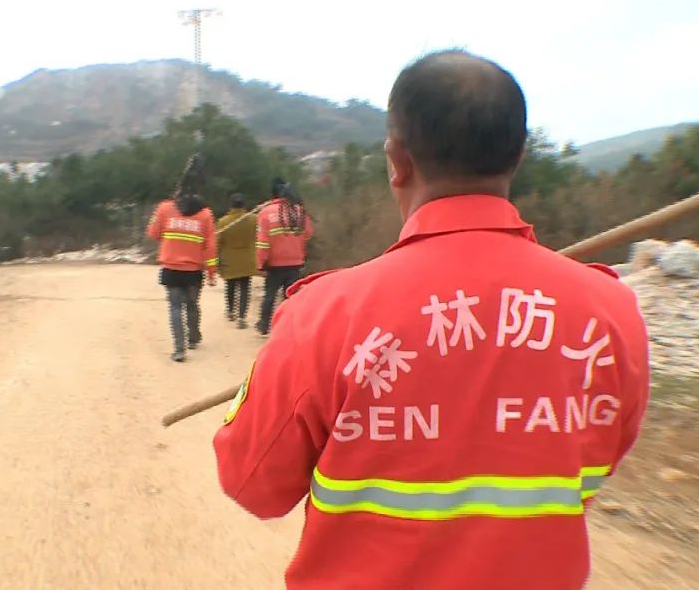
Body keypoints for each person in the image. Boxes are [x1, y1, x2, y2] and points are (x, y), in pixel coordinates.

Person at [212, 50, 650, 589]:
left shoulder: (324, 316)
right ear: (516, 156)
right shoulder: (608, 313)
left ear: (397, 159)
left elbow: (251, 483)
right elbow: (600, 457)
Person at [146, 187, 217, 362]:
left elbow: (153, 233)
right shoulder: (205, 214)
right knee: (192, 304)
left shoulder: (164, 208)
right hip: (194, 270)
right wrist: (211, 272)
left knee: (175, 307)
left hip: (171, 268)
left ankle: (179, 349)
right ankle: (193, 337)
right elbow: (210, 246)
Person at [255, 178, 313, 335]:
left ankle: (264, 325)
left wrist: (261, 263)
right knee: (291, 296)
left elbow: (262, 243)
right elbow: (308, 234)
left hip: (274, 264)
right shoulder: (299, 211)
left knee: (270, 296)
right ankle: (289, 326)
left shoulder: (265, 213)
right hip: (295, 262)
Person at [216, 193, 257, 329]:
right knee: (245, 287)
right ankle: (241, 317)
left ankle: (230, 311)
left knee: (230, 286)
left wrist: (216, 259)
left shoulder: (223, 221)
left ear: (231, 205)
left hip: (229, 258)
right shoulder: (254, 219)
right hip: (247, 258)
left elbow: (218, 242)